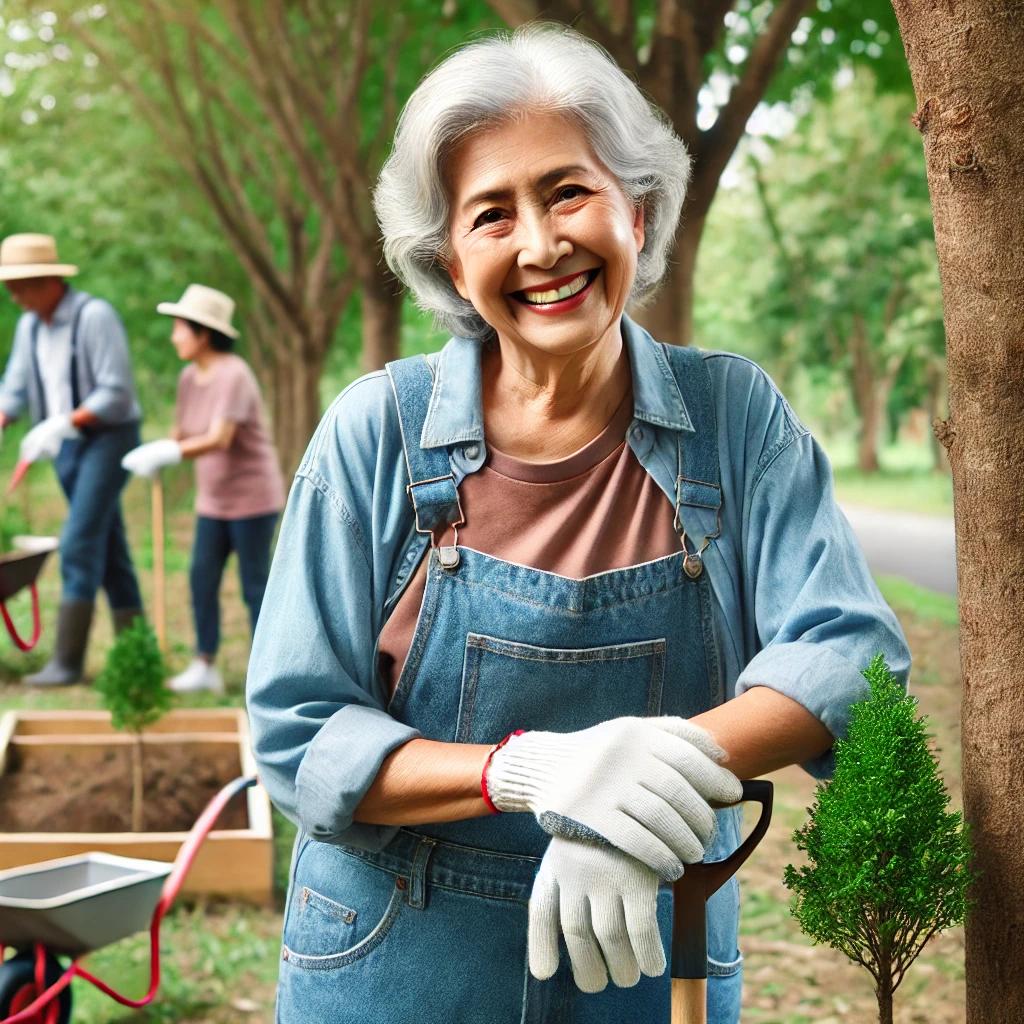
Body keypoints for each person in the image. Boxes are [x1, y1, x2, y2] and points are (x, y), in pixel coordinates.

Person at [246, 25, 910, 1024]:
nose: (541, 245)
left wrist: (631, 793)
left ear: (636, 209)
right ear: (449, 260)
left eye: (567, 192)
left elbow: (850, 656)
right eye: (491, 214)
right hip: (399, 956)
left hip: (646, 949)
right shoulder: (373, 434)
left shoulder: (733, 419)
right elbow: (299, 733)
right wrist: (532, 772)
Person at [122, 284, 285, 693]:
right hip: (213, 502)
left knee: (254, 586)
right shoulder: (188, 378)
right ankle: (205, 664)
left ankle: (266, 672)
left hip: (252, 500)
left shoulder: (234, 374)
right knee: (201, 578)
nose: (174, 336)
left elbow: (219, 438)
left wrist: (172, 452)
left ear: (203, 333)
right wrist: (159, 452)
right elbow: (181, 432)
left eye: (180, 327)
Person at [0, 233, 144, 686]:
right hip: (65, 449)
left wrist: (65, 421)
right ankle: (136, 653)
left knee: (80, 541)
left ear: (47, 281)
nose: (14, 296)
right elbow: (14, 390)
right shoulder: (29, 327)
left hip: (107, 440)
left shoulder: (94, 316)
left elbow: (117, 392)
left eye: (19, 287)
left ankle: (67, 662)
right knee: (111, 550)